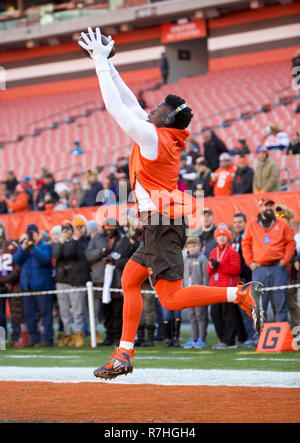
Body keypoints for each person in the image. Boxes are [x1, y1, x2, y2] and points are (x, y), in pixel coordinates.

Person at [78, 27, 264, 379]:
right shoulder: (162, 133)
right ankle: (124, 353)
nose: (152, 108)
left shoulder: (153, 137)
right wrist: (109, 65)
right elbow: (130, 101)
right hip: (160, 220)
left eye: (159, 107)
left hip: (162, 220)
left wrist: (102, 63)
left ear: (164, 118)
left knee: (171, 299)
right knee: (131, 281)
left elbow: (117, 107)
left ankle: (238, 294)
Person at [242, 198, 296, 323]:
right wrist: (250, 262)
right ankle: (260, 336)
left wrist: (285, 260)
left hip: (278, 267)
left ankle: (281, 335)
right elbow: (245, 244)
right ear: (260, 208)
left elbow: (290, 243)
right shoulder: (252, 224)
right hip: (259, 269)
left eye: (271, 206)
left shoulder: (282, 223)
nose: (269, 208)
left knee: (281, 303)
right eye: (266, 206)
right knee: (259, 304)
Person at [86, 217, 135, 346]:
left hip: (117, 279)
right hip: (101, 279)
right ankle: (108, 336)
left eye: (111, 228)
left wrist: (115, 262)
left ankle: (117, 337)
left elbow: (129, 260)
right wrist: (102, 252)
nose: (109, 231)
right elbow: (89, 255)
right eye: (106, 228)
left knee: (118, 311)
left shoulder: (123, 240)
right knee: (105, 310)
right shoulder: (97, 238)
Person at [13, 224, 54, 347]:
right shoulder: (25, 248)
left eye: (33, 233)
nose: (31, 235)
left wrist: (34, 247)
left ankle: (47, 339)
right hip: (28, 286)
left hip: (43, 286)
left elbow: (45, 260)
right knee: (29, 315)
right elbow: (16, 260)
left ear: (38, 233)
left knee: (46, 314)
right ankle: (33, 338)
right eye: (29, 233)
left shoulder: (45, 246)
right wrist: (23, 248)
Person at [52, 220, 88, 347]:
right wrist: (62, 240)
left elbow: (69, 253)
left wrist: (73, 239)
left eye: (68, 229)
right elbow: (56, 255)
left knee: (77, 311)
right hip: (62, 280)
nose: (66, 232)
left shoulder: (77, 243)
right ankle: (67, 334)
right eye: (64, 230)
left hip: (74, 280)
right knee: (64, 312)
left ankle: (79, 334)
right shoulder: (58, 243)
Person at [207, 224, 241, 349]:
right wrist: (211, 267)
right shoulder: (213, 251)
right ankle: (223, 339)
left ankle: (230, 340)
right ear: (216, 238)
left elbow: (236, 269)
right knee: (215, 314)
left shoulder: (232, 252)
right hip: (214, 288)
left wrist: (219, 266)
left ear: (228, 238)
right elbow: (208, 272)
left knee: (228, 315)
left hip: (227, 288)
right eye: (219, 236)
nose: (221, 238)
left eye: (224, 236)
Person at [231, 213, 257, 347]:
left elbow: (248, 259)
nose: (237, 224)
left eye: (240, 222)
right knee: (242, 310)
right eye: (235, 222)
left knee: (250, 309)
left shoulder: (248, 237)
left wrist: (243, 273)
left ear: (245, 223)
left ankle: (254, 337)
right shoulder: (235, 239)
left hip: (248, 278)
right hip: (238, 281)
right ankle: (245, 336)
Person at [181, 237, 209, 349]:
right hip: (189, 292)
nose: (192, 249)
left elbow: (206, 276)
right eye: (189, 246)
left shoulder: (202, 259)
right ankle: (194, 338)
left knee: (200, 315)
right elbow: (183, 276)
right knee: (192, 316)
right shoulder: (185, 259)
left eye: (194, 246)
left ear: (199, 246)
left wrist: (205, 290)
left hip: (200, 292)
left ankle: (202, 339)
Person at [0, 222, 24, 347]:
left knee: (15, 312)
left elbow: (17, 264)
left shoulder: (11, 245)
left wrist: (9, 278)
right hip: (1, 284)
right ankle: (1, 339)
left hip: (10, 283)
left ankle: (16, 336)